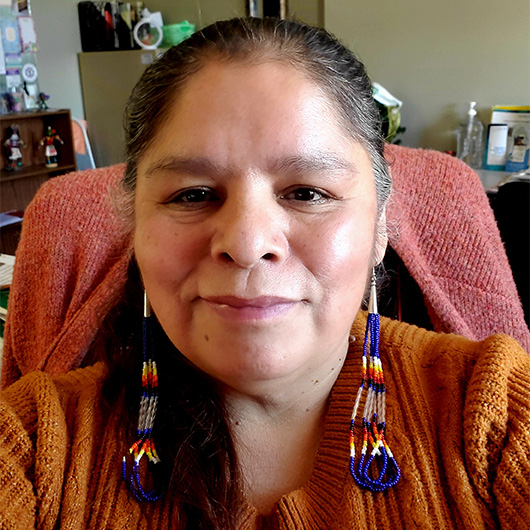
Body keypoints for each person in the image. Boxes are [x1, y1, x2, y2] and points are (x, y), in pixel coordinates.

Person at [0, 17, 529, 530]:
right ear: (135, 229)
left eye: (308, 193)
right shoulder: (28, 446)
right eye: (193, 195)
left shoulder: (496, 416)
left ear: (380, 230)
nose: (248, 245)